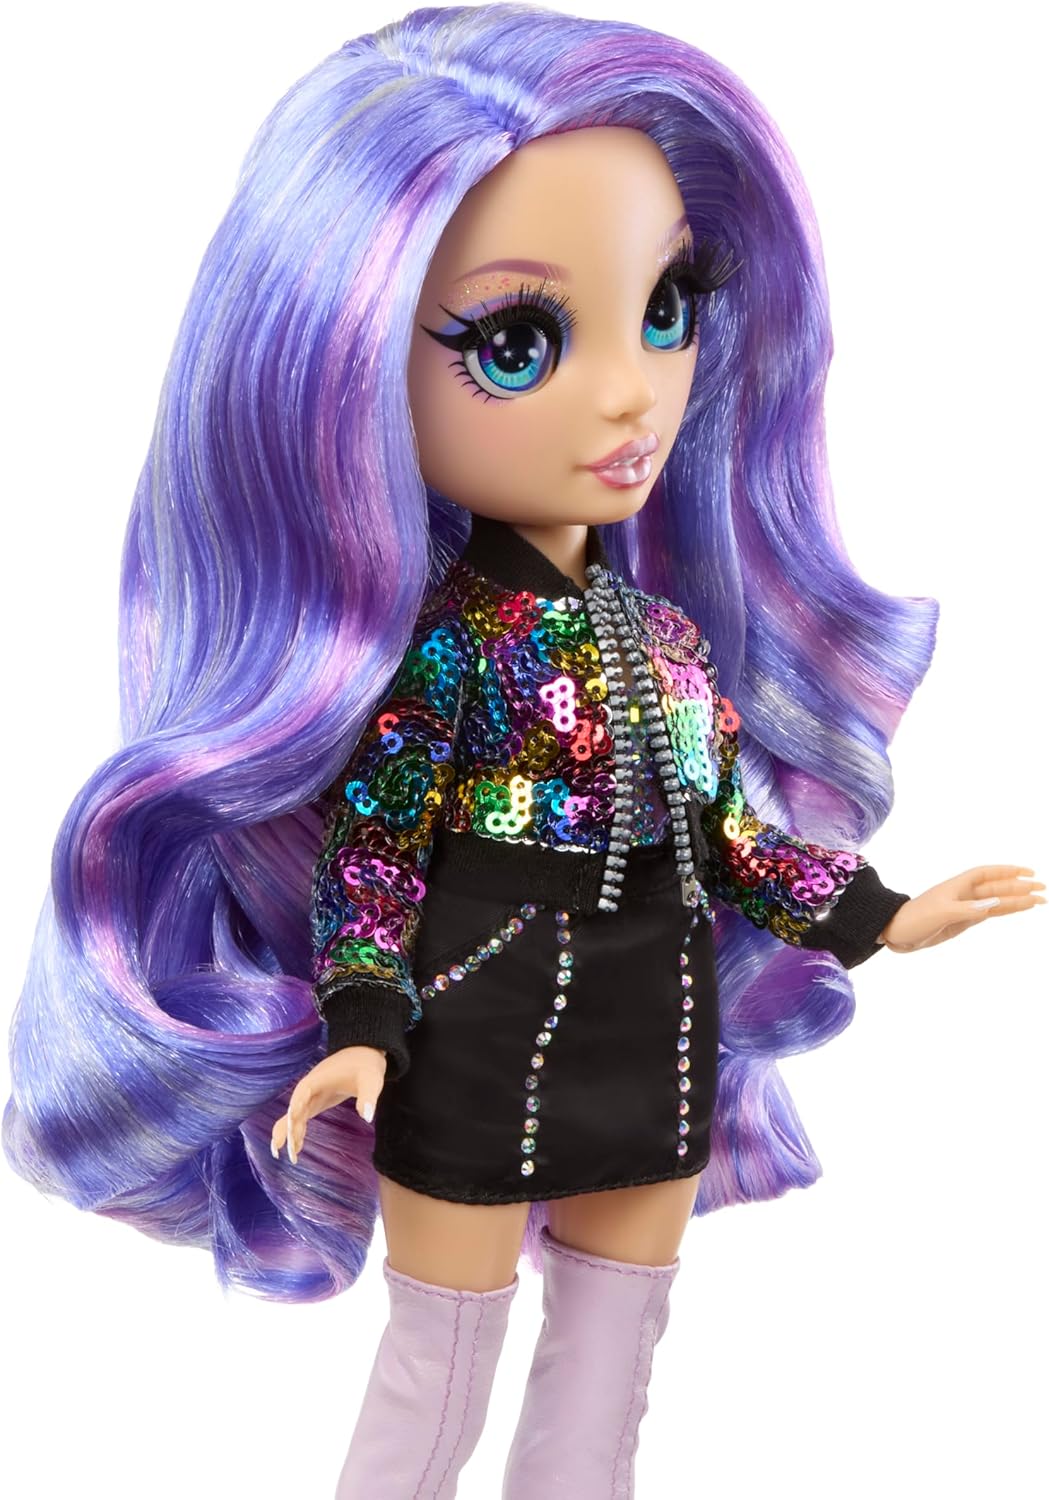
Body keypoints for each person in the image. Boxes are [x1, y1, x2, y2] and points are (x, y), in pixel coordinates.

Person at [5, 7, 1043, 1497]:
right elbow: (374, 849)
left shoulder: (670, 642)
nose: (628, 393)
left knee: (609, 1374)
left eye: (666, 307)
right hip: (479, 1015)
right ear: (346, 360)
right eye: (519, 343)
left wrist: (880, 912)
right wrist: (364, 1019)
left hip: (655, 1014)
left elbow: (729, 836)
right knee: (436, 1373)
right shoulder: (449, 648)